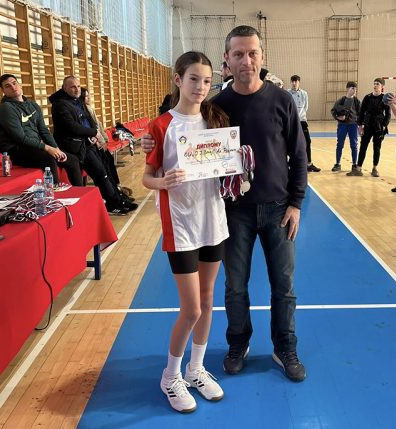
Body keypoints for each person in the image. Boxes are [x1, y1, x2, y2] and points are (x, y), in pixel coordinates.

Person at [142, 25, 308, 383]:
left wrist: (296, 203)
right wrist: (150, 142)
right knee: (235, 286)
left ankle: (285, 347)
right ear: (227, 60)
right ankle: (238, 344)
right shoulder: (215, 107)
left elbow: (299, 154)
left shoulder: (282, 100)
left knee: (283, 285)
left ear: (262, 56)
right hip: (234, 210)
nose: (247, 60)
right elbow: (180, 126)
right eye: (238, 54)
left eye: (253, 53)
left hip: (279, 209)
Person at [143, 51, 230, 413]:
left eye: (207, 81)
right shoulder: (161, 125)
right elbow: (147, 178)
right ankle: (170, 376)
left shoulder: (216, 119)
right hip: (180, 225)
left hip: (214, 221)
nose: (201, 87)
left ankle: (196, 369)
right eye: (194, 79)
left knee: (208, 302)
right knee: (191, 308)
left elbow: (228, 161)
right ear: (178, 80)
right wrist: (162, 182)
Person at [49, 76, 136, 215]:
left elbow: (89, 121)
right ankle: (112, 204)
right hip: (77, 147)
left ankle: (118, 199)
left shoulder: (78, 101)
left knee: (106, 170)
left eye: (78, 86)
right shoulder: (60, 105)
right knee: (100, 173)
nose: (77, 89)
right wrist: (93, 132)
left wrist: (95, 136)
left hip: (89, 142)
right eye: (73, 87)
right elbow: (72, 127)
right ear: (64, 88)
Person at [0, 74, 82, 186]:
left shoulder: (32, 105)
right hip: (15, 150)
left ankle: (79, 193)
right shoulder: (6, 108)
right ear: (3, 91)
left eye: (14, 83)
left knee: (73, 160)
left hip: (33, 147)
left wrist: (56, 148)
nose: (13, 87)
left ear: (19, 84)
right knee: (49, 158)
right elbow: (20, 138)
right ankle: (54, 193)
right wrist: (47, 148)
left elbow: (44, 130)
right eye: (7, 86)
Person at [80, 87, 134, 201]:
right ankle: (114, 190)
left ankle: (116, 187)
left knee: (109, 164)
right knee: (106, 167)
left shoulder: (90, 109)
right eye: (86, 97)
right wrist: (101, 141)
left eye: (89, 96)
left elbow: (99, 125)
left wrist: (104, 139)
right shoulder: (84, 110)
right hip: (95, 144)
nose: (89, 98)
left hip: (100, 141)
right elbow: (94, 128)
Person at [351, 78, 391, 177]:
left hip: (378, 126)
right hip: (368, 125)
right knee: (363, 146)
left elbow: (388, 114)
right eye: (374, 84)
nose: (375, 85)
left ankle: (375, 168)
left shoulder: (384, 98)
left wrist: (384, 125)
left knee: (377, 148)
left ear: (382, 87)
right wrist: (360, 126)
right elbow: (361, 112)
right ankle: (358, 168)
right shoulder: (367, 97)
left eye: (377, 84)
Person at [288, 75, 321, 172]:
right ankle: (291, 163)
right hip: (291, 122)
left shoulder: (304, 93)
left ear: (299, 82)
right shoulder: (287, 93)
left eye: (296, 81)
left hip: (302, 121)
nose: (294, 83)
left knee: (307, 141)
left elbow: (305, 107)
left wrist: (301, 116)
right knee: (292, 143)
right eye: (292, 81)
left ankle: (309, 164)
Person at [331, 81, 361, 173]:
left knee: (354, 145)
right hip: (342, 125)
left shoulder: (357, 101)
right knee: (340, 144)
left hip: (353, 125)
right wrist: (338, 117)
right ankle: (337, 164)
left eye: (355, 89)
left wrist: (361, 125)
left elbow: (360, 114)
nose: (354, 90)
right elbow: (333, 111)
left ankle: (354, 164)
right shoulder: (341, 100)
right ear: (347, 89)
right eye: (352, 88)